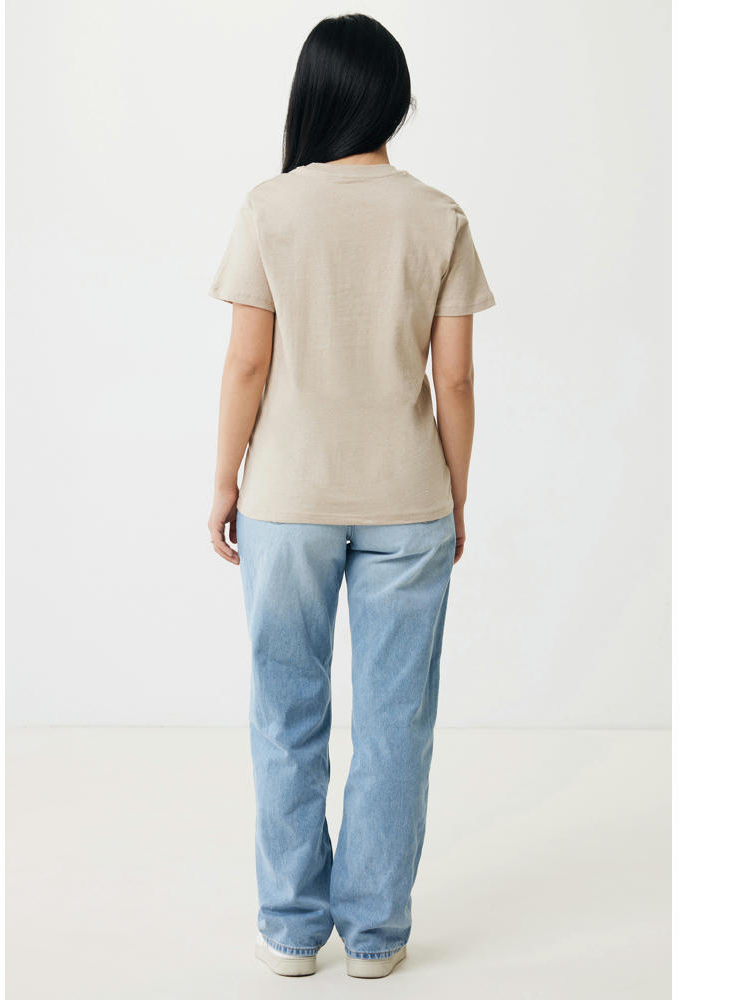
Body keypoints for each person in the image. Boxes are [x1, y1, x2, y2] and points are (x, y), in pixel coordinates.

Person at [207, 13, 495, 980]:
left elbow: (247, 365)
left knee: (285, 712)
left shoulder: (271, 208)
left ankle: (292, 930)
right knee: (395, 722)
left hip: (286, 498)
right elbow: (455, 381)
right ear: (395, 100)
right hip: (408, 499)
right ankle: (375, 934)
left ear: (313, 95)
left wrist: (224, 481)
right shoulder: (438, 215)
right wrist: (455, 494)